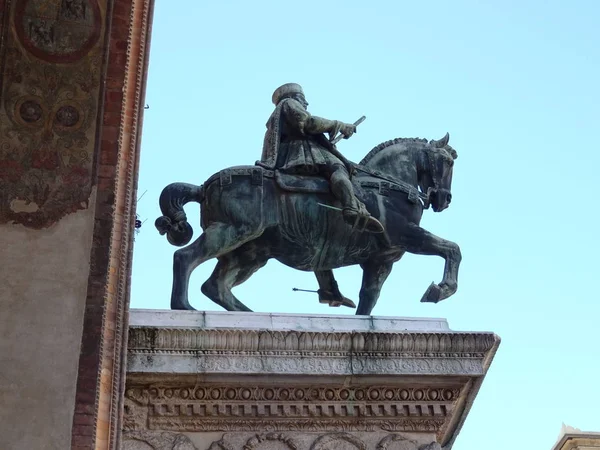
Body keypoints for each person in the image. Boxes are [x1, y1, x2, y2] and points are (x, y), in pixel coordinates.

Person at [260, 83, 383, 233]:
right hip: (302, 153)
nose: (306, 103)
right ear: (292, 97)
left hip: (301, 151)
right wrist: (340, 125)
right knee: (337, 169)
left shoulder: (283, 110)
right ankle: (351, 208)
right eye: (302, 98)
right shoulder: (289, 103)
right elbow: (309, 123)